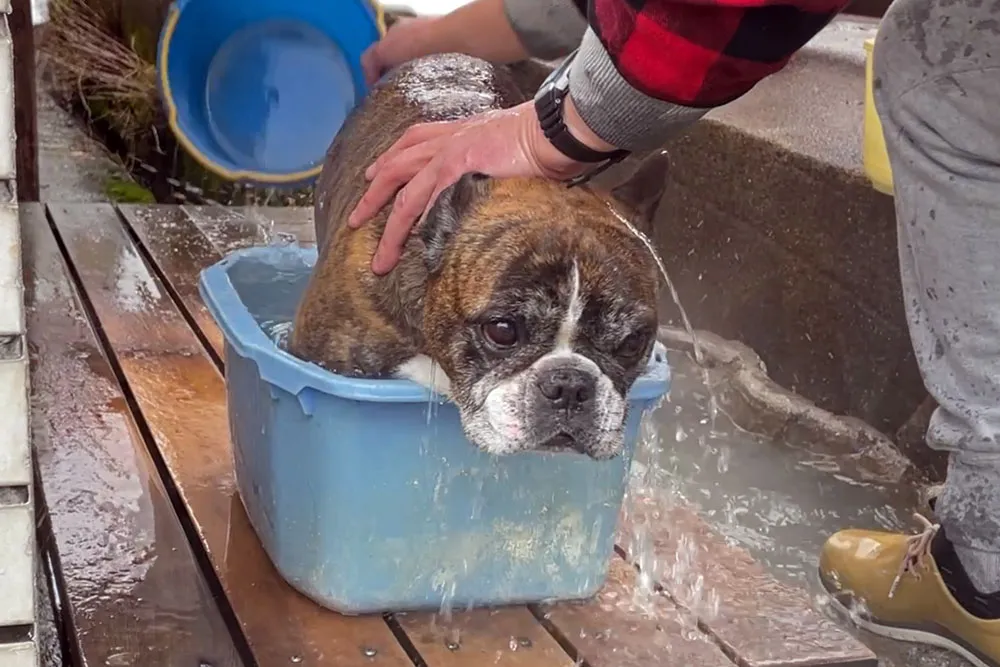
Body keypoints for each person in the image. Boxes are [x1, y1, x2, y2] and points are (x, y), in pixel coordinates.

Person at [349, 0, 1000, 664]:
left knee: (943, 59)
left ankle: (987, 562)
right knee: (942, 57)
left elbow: (712, 12)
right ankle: (988, 562)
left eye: (625, 345)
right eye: (506, 331)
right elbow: (564, 12)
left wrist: (556, 129)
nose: (570, 390)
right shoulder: (386, 284)